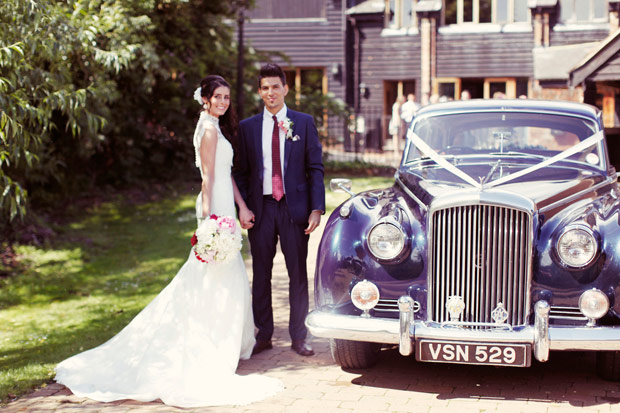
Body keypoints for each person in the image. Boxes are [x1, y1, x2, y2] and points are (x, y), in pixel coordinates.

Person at [54, 75, 283, 408]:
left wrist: (242, 206)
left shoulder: (215, 127)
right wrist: (209, 223)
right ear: (204, 99)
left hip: (225, 207)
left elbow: (226, 174)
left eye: (226, 97)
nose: (222, 102)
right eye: (216, 97)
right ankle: (206, 347)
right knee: (209, 278)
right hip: (213, 211)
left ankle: (221, 343)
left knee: (224, 278)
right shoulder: (207, 130)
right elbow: (207, 179)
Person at [234, 63, 325, 357]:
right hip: (261, 210)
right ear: (259, 92)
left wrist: (316, 209)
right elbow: (242, 172)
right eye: (265, 88)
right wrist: (245, 208)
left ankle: (299, 336)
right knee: (261, 274)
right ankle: (264, 334)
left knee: (297, 273)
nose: (270, 92)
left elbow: (315, 169)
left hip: (294, 209)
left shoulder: (304, 122)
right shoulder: (247, 128)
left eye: (275, 86)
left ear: (286, 89)